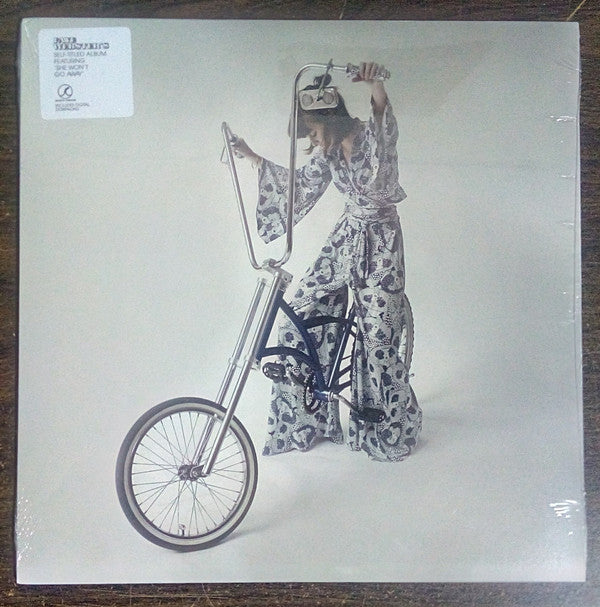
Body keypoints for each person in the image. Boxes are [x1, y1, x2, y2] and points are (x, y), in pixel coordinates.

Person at [233, 61, 422, 462]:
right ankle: (308, 419)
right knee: (297, 315)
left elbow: (384, 120)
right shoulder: (329, 154)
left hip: (383, 245)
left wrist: (375, 86)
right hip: (346, 238)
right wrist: (251, 157)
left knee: (378, 342)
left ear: (332, 121)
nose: (315, 141)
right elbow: (298, 185)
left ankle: (391, 425)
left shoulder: (372, 140)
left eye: (316, 131)